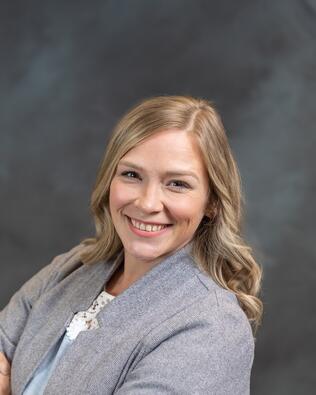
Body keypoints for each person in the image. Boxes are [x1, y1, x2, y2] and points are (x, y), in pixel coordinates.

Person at [0, 95, 263, 394]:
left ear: (212, 202)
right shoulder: (73, 266)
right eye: (131, 175)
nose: (147, 202)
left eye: (177, 183)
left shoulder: (213, 328)